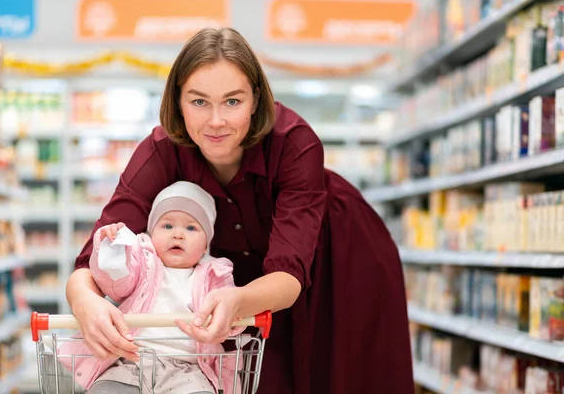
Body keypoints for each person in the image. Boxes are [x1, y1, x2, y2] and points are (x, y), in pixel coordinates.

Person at [66, 27, 414, 393]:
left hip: (336, 258)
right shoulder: (161, 152)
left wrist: (241, 299)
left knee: (343, 374)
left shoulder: (294, 143)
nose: (216, 121)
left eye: (232, 101)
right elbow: (91, 257)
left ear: (256, 99)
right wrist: (86, 303)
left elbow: (289, 276)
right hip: (235, 280)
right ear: (177, 102)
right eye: (199, 101)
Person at [60, 181, 245, 394]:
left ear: (205, 245)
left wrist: (233, 319)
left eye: (191, 227)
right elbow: (117, 284)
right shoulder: (143, 262)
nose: (178, 234)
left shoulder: (215, 273)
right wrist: (114, 253)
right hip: (130, 363)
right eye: (167, 226)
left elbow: (228, 309)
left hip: (190, 371)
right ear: (150, 234)